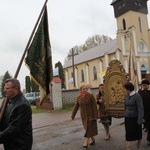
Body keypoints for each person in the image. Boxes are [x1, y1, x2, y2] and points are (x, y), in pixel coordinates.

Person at [0, 78, 33, 150]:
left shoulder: (23, 105)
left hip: (19, 145)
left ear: (15, 89)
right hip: (9, 144)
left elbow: (14, 129)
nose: (4, 91)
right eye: (4, 88)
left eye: (7, 88)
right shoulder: (6, 101)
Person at [123, 82, 144, 150]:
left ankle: (139, 146)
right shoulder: (126, 96)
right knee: (128, 135)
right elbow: (125, 106)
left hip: (135, 118)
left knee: (138, 134)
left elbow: (140, 108)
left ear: (128, 89)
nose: (124, 90)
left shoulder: (137, 96)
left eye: (125, 89)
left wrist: (140, 119)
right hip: (128, 119)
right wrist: (125, 114)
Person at [138, 79, 150, 145]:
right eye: (143, 85)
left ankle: (149, 139)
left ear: (148, 86)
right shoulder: (140, 93)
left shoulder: (149, 92)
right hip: (142, 112)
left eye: (145, 85)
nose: (144, 86)